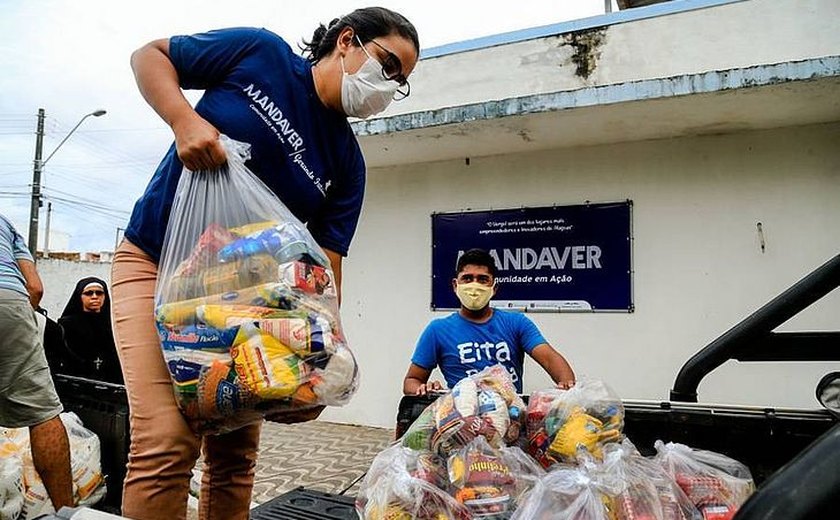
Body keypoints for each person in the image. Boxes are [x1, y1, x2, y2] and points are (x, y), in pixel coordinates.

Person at [112, 8, 419, 520]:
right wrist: (184, 120)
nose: (388, 86)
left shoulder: (347, 164)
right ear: (347, 41)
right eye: (387, 65)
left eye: (400, 82)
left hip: (248, 312)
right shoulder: (261, 54)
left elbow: (322, 275)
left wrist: (320, 360)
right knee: (166, 443)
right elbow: (151, 55)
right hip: (157, 268)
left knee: (234, 458)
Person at [404, 248, 576, 396]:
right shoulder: (438, 330)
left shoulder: (516, 323)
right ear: (455, 285)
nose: (474, 285)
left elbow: (549, 359)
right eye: (467, 278)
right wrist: (424, 388)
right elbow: (411, 380)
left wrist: (568, 386)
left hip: (510, 418)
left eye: (482, 279)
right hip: (462, 421)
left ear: (494, 287)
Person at [0, 213, 73, 511]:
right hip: (10, 299)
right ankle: (67, 513)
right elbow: (36, 288)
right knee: (43, 413)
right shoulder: (6, 224)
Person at [56, 277, 123, 384]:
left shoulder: (114, 325)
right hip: (75, 381)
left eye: (99, 293)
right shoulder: (67, 325)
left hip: (110, 383)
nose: (94, 297)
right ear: (80, 296)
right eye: (89, 293)